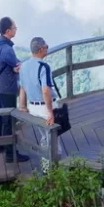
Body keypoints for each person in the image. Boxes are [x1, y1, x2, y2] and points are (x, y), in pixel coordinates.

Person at [17, 37, 67, 169]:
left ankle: (46, 167)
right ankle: (55, 169)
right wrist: (50, 112)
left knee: (44, 136)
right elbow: (46, 90)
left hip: (33, 107)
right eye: (46, 46)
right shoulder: (44, 67)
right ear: (40, 49)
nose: (47, 47)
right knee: (53, 138)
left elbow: (22, 88)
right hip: (45, 108)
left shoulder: (23, 66)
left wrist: (22, 106)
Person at [0, 17, 29, 162]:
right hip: (7, 88)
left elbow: (12, 65)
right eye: (14, 28)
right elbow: (17, 65)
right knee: (8, 119)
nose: (16, 29)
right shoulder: (6, 49)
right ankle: (10, 154)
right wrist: (17, 67)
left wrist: (14, 67)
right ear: (8, 31)